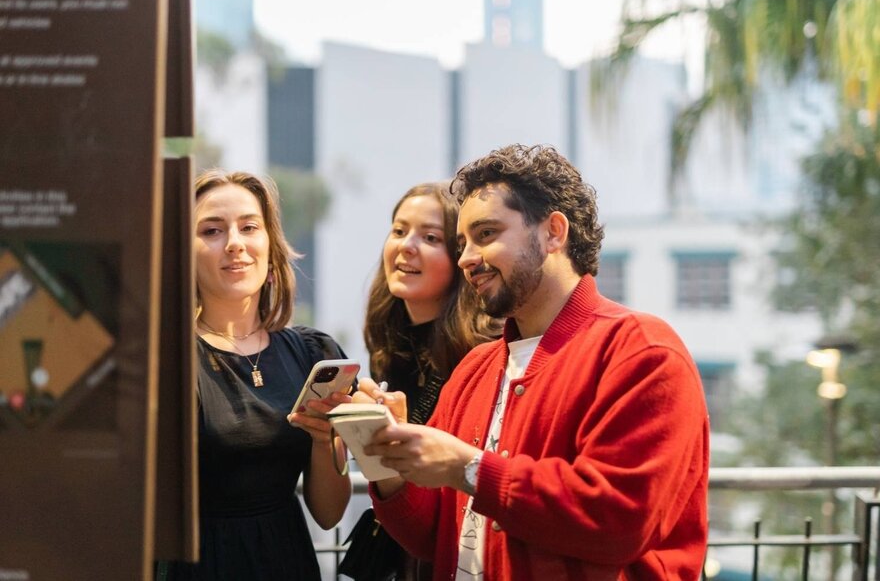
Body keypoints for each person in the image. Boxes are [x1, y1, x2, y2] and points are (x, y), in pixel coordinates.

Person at [355, 144, 709, 580]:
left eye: (486, 234)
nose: (466, 258)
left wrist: (468, 467)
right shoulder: (475, 370)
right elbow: (434, 535)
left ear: (553, 233)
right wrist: (385, 455)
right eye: (462, 243)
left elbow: (619, 521)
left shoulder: (641, 350)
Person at [157, 170, 352, 580]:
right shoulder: (166, 358)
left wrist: (324, 441)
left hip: (289, 562)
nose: (235, 243)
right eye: (212, 230)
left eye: (249, 227)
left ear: (270, 245)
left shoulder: (312, 355)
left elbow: (329, 514)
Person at [342, 182, 499, 580]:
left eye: (430, 238)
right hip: (402, 545)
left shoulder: (483, 352)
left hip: (461, 551)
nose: (406, 247)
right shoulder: (389, 341)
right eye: (399, 230)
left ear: (461, 258)